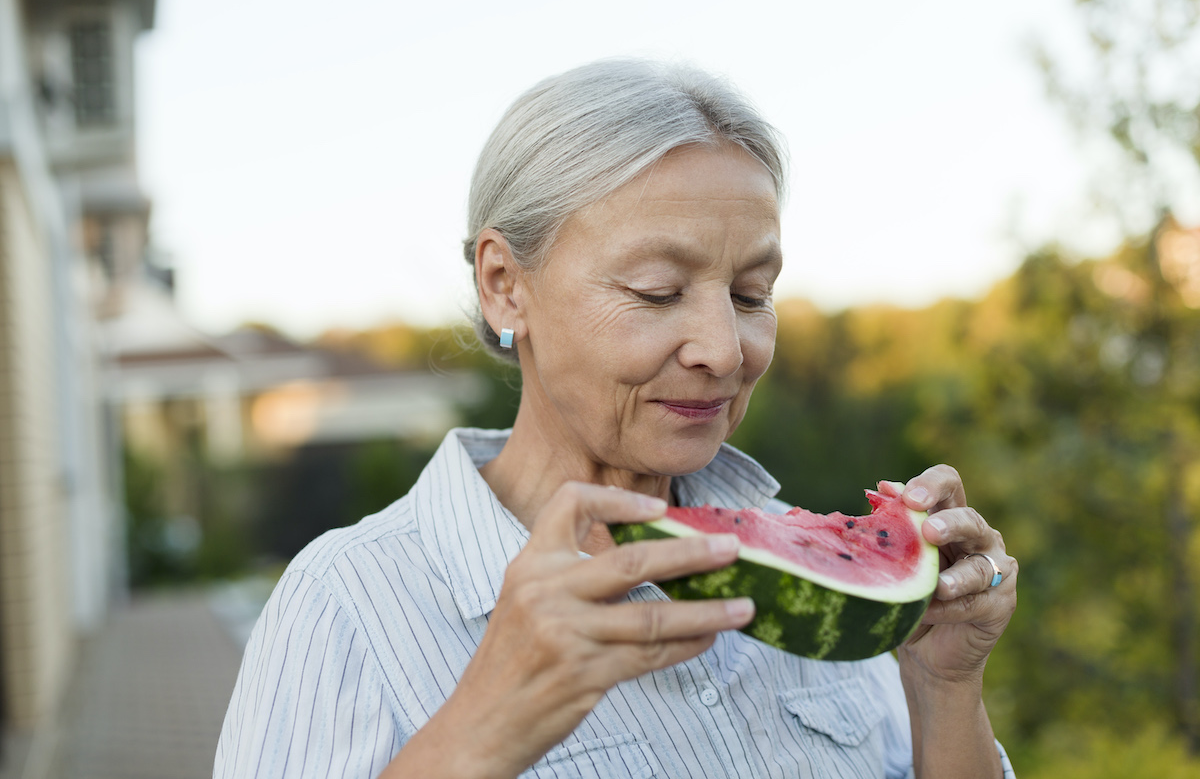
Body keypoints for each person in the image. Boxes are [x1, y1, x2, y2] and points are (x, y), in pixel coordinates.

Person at [214, 59, 1018, 779]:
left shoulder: (814, 582)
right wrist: (482, 728)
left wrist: (944, 688)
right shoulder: (348, 604)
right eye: (657, 292)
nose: (722, 348)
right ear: (504, 285)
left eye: (750, 294)